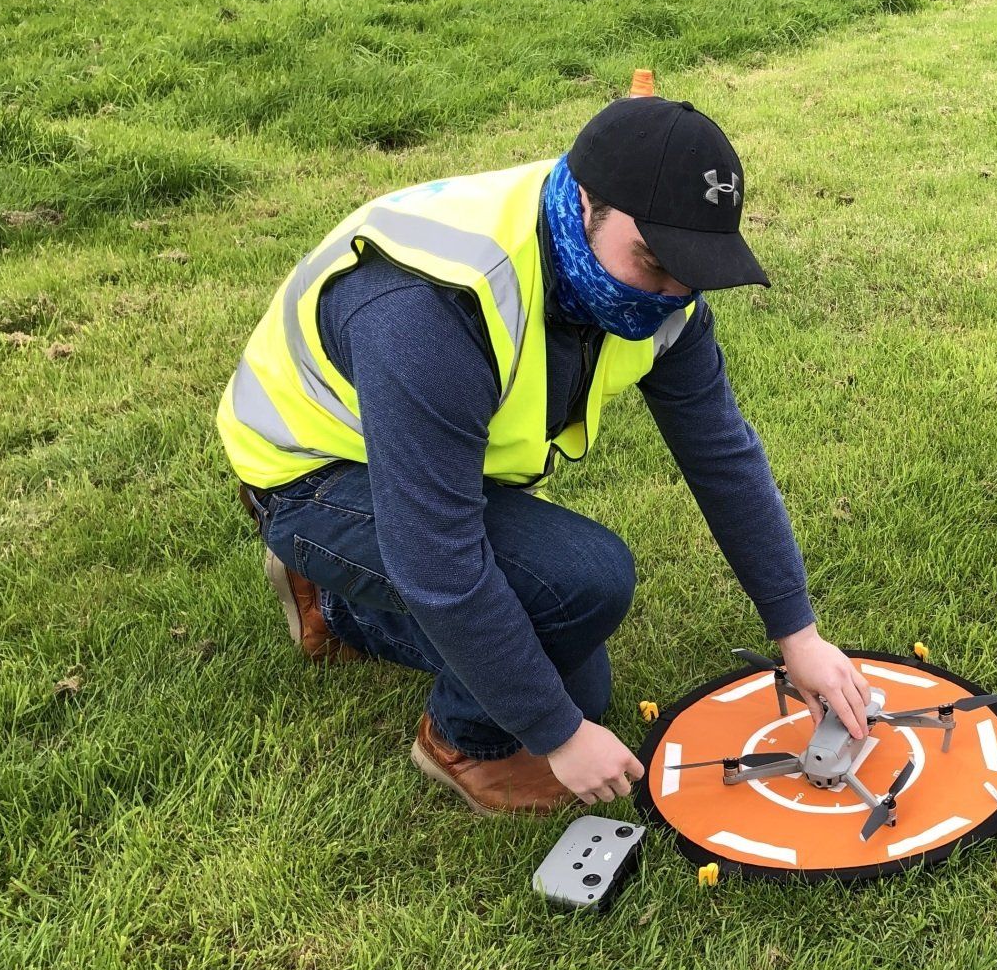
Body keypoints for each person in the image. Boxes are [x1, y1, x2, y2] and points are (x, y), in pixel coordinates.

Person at [217, 92, 871, 815]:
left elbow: (722, 456)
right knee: (579, 596)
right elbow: (439, 560)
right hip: (309, 474)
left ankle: (337, 603)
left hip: (422, 462)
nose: (669, 295)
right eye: (652, 261)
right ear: (586, 201)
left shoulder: (649, 285)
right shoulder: (431, 309)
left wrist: (797, 632)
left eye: (691, 271)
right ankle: (457, 737)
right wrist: (555, 735)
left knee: (573, 673)